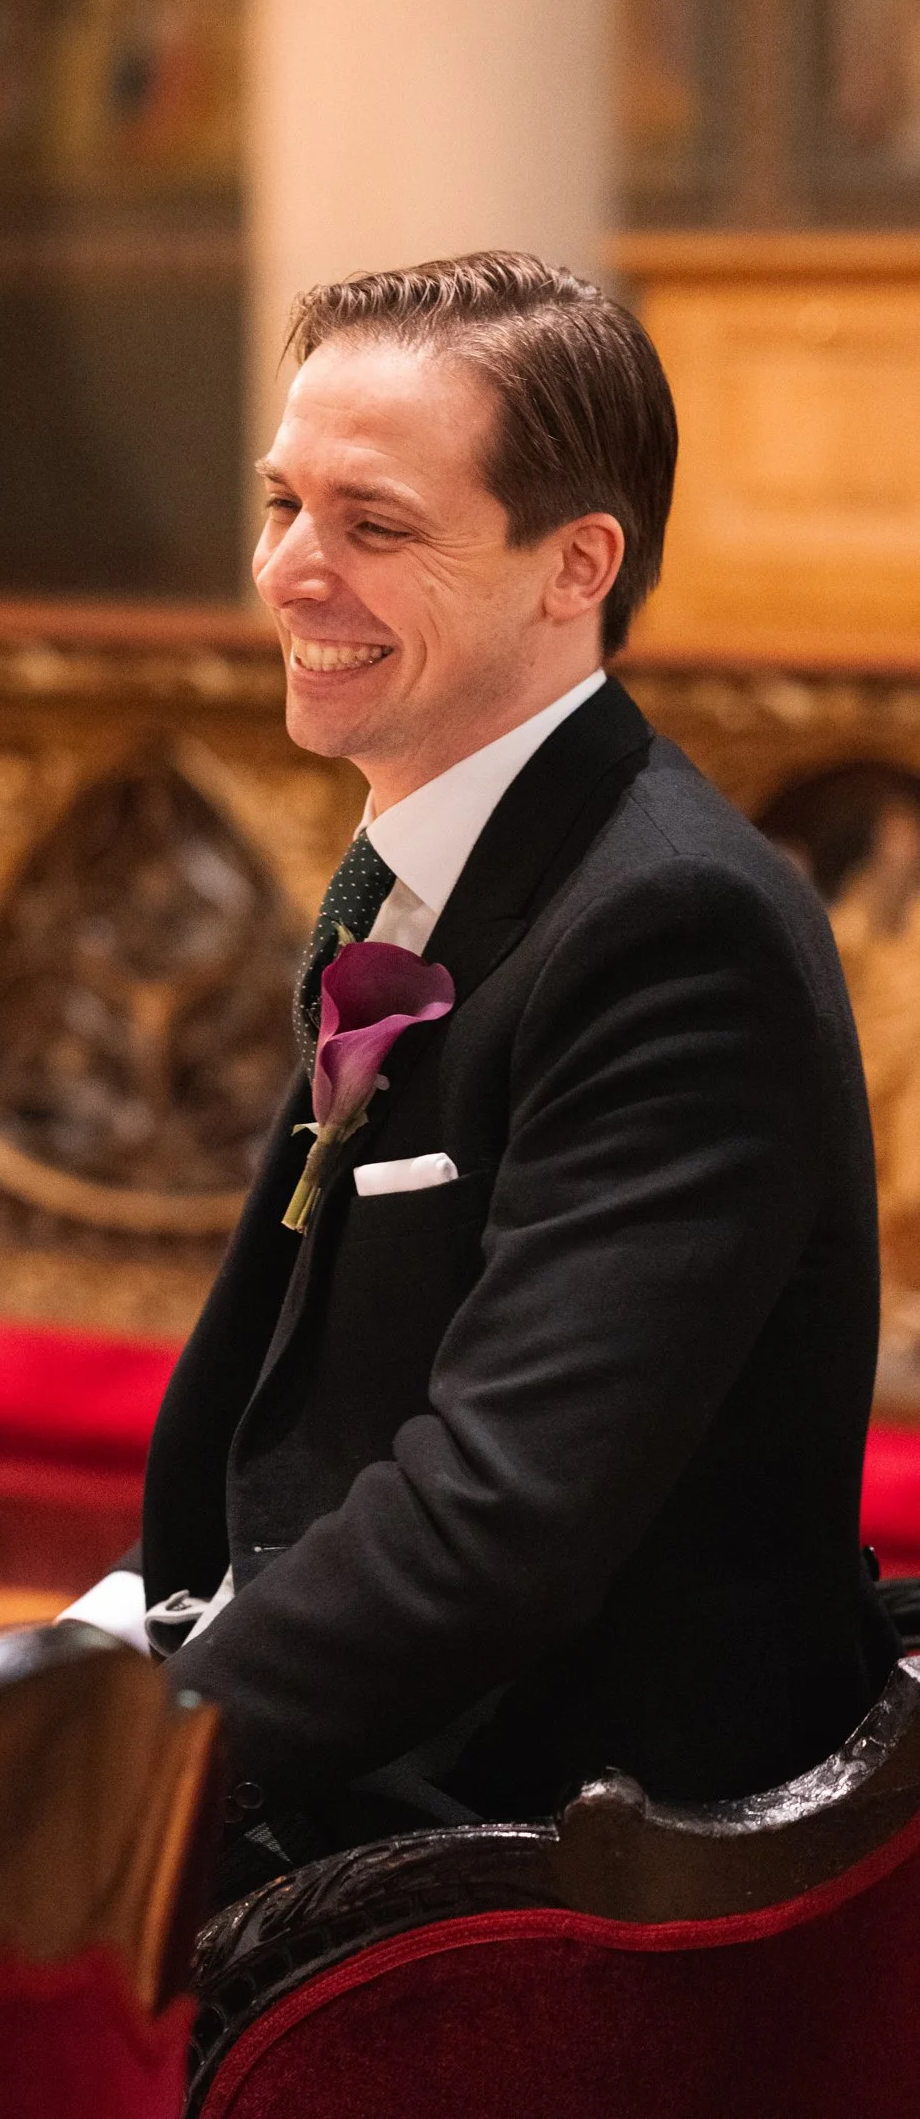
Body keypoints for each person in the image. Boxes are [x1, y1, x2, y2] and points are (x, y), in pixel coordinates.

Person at [69, 250, 896, 1898]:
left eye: (372, 527)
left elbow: (496, 1514)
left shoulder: (667, 923)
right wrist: (109, 1644)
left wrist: (126, 1778)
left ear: (571, 564)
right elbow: (301, 1393)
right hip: (402, 1749)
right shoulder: (421, 864)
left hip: (562, 1838)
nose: (289, 573)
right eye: (281, 505)